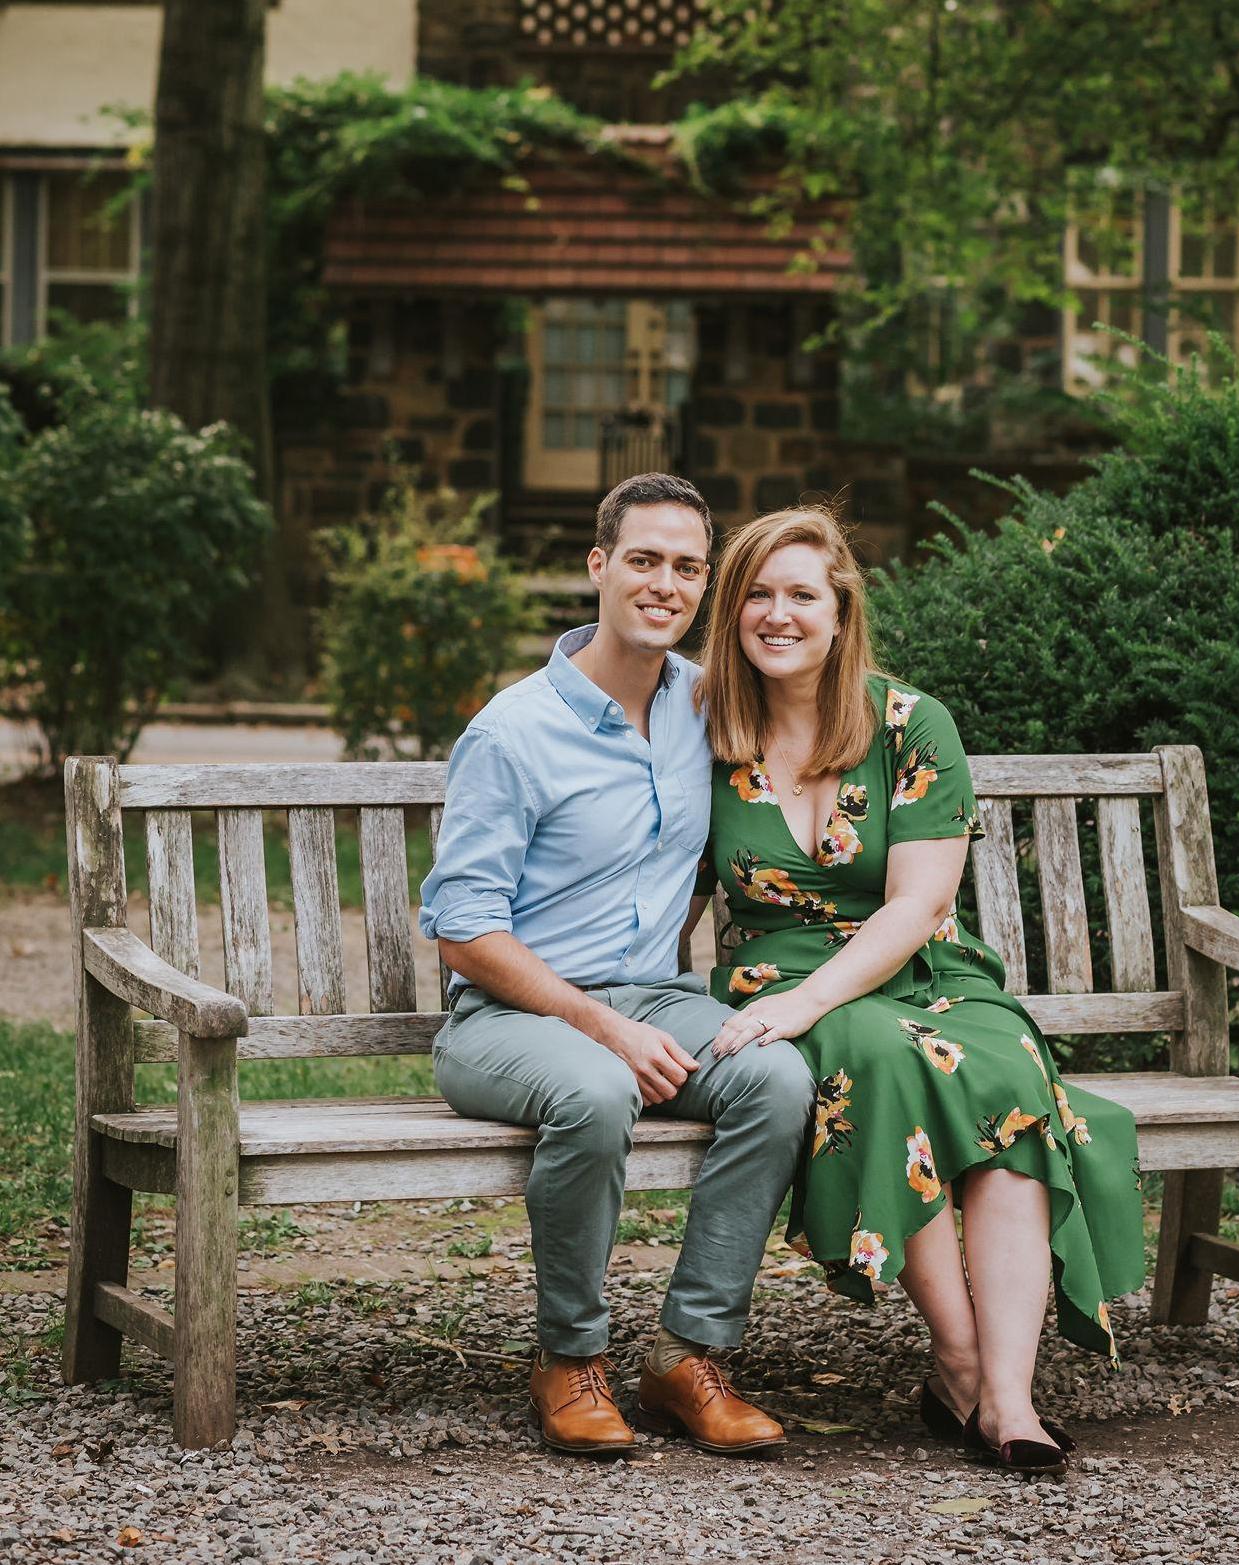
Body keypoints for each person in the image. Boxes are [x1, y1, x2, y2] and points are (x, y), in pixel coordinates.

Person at [698, 505, 1146, 1474]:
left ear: (839, 606)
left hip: (925, 970)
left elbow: (918, 902)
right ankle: (956, 1357)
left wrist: (807, 1003)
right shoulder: (707, 730)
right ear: (730, 609)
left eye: (800, 594)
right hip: (780, 979)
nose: (777, 614)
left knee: (1005, 1086)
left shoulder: (909, 722)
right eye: (757, 595)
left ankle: (1008, 1395)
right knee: (880, 1058)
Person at [419, 473, 814, 1459]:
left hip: (654, 997)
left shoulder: (706, 703)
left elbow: (822, 695)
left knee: (772, 1076)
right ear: (597, 566)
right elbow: (464, 932)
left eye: (687, 566)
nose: (664, 583)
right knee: (595, 1091)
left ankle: (687, 1355)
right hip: (506, 1019)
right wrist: (599, 1024)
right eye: (643, 559)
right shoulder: (511, 732)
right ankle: (569, 1358)